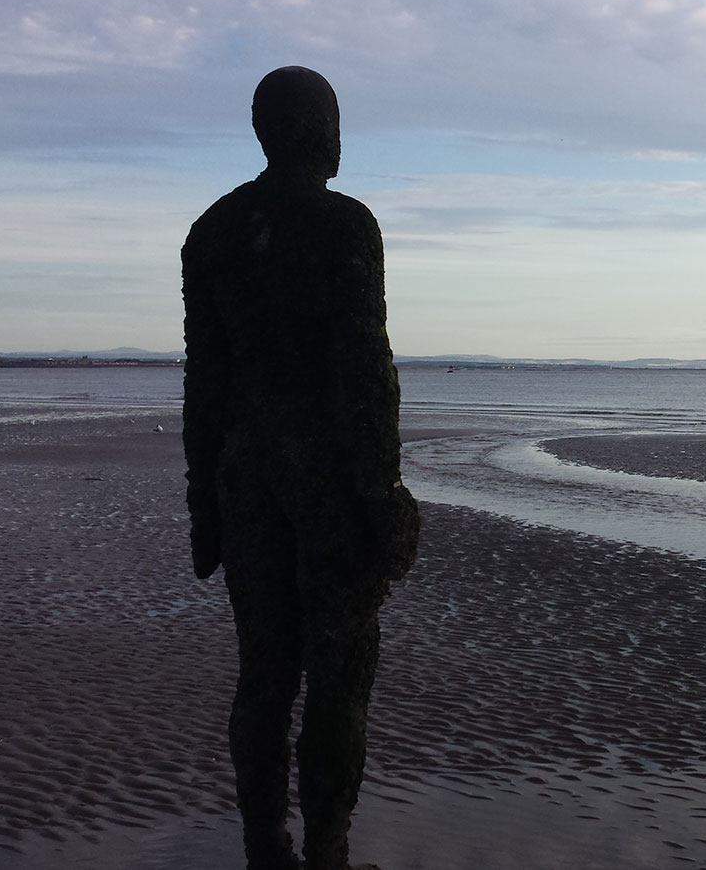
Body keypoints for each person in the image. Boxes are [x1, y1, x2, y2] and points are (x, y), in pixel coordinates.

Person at [181, 65, 419, 870]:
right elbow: (365, 369)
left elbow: (206, 385)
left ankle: (264, 849)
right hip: (327, 479)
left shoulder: (214, 231)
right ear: (321, 131)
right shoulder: (344, 225)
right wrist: (383, 494)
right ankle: (326, 851)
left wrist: (204, 507)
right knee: (339, 673)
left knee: (265, 674)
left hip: (244, 476)